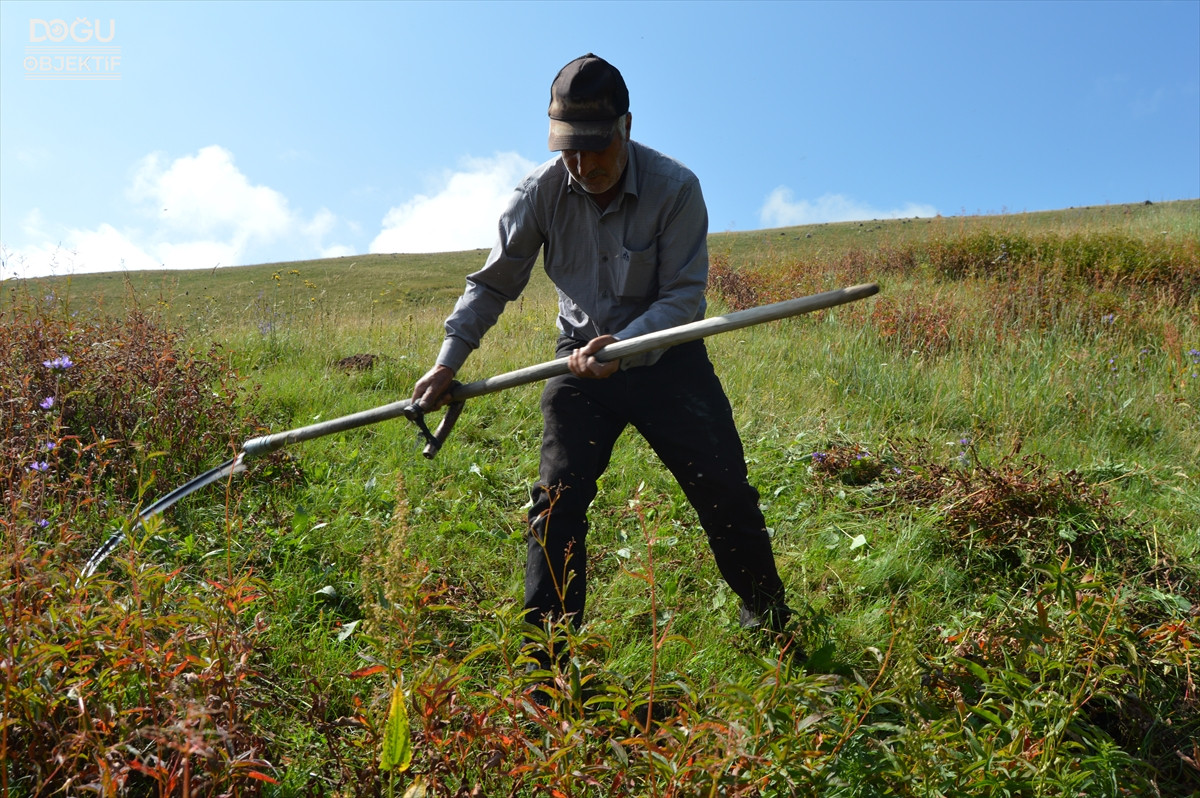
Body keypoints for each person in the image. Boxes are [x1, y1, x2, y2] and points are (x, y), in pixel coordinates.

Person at [411, 54, 791, 655]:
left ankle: (770, 621)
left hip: (668, 358)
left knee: (725, 491)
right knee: (555, 504)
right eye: (569, 150)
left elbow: (684, 296)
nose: (582, 166)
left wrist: (629, 346)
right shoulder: (538, 193)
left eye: (595, 149)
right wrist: (448, 360)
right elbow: (492, 284)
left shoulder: (676, 189)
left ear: (627, 128)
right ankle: (549, 664)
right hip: (579, 364)